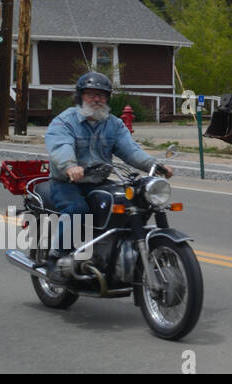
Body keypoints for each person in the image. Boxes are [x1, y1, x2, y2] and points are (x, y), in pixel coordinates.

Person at [43, 71, 172, 279]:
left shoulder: (114, 124)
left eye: (101, 95)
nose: (96, 99)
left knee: (130, 204)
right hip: (68, 182)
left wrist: (155, 165)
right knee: (77, 209)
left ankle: (110, 253)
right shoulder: (64, 121)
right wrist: (70, 166)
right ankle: (55, 257)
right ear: (80, 96)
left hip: (98, 181)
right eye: (91, 94)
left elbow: (130, 150)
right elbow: (60, 145)